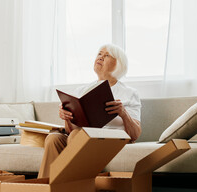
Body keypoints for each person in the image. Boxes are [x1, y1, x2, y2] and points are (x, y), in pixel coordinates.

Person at [38, 44, 142, 178]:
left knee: (77, 136)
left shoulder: (129, 93)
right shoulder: (81, 91)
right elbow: (71, 131)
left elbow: (135, 135)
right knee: (53, 139)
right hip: (83, 138)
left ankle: (74, 186)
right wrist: (68, 117)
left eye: (107, 55)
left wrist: (123, 113)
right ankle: (45, 190)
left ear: (119, 64)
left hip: (110, 140)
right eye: (99, 54)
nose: (100, 57)